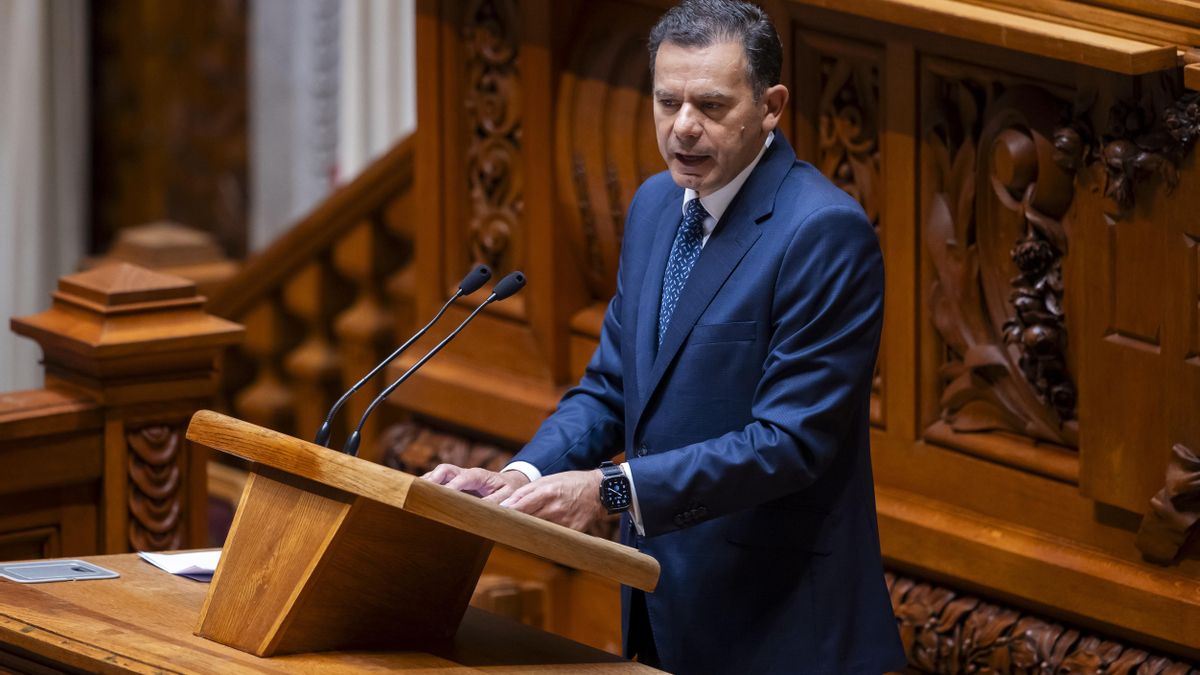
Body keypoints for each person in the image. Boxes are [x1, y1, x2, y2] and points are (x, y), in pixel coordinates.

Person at [423, 0, 907, 672]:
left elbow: (787, 443)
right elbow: (612, 385)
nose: (683, 127)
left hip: (782, 628)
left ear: (770, 106)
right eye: (667, 101)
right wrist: (519, 478)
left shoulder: (821, 232)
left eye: (710, 104)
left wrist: (608, 490)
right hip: (665, 608)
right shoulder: (655, 205)